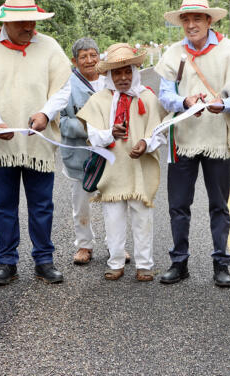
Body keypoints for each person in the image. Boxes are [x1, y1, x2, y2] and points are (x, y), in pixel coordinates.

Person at [0, 0, 72, 286]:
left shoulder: (49, 47)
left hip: (38, 140)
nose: (29, 27)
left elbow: (62, 87)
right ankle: (7, 262)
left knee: (42, 204)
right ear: (4, 21)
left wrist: (46, 114)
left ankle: (44, 260)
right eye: (22, 21)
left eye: (32, 20)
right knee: (4, 205)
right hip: (1, 143)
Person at [154, 0, 230, 287]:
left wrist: (222, 104)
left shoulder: (228, 51)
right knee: (178, 204)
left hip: (216, 139)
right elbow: (165, 95)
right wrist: (185, 101)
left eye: (197, 18)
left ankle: (221, 263)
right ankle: (179, 262)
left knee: (218, 205)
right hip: (183, 139)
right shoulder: (173, 53)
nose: (191, 24)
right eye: (186, 19)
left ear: (209, 20)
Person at [77, 43, 166, 282]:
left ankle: (145, 265)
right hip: (112, 171)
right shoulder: (99, 100)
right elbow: (93, 136)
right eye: (117, 72)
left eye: (128, 71)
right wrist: (110, 134)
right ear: (108, 75)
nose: (123, 77)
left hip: (140, 169)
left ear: (135, 71)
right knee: (113, 219)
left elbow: (159, 132)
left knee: (142, 218)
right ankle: (115, 262)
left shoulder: (147, 97)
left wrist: (146, 144)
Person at [60, 37, 106, 265]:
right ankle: (84, 245)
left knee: (113, 202)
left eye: (93, 55)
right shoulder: (66, 85)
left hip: (110, 154)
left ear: (100, 56)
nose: (89, 60)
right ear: (74, 61)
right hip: (80, 155)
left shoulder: (110, 80)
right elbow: (61, 121)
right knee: (81, 204)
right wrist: (90, 128)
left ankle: (116, 245)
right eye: (83, 56)